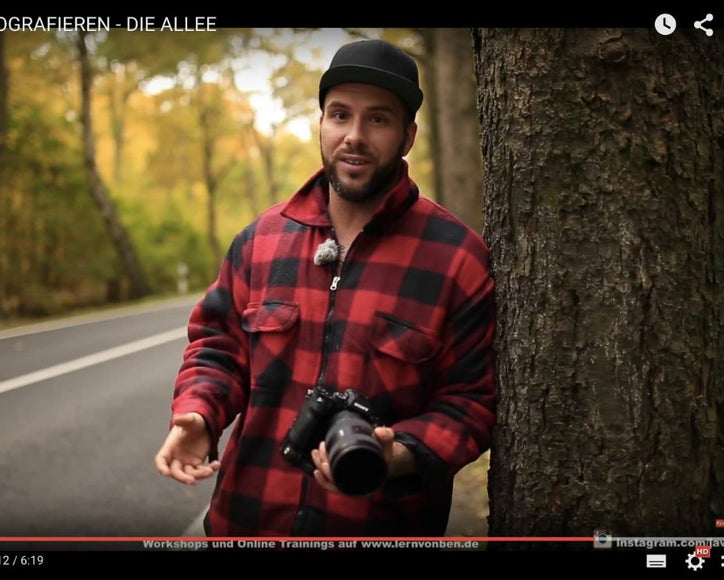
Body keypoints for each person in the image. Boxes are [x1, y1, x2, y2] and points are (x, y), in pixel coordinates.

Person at [155, 38, 497, 536]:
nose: (354, 136)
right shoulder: (260, 242)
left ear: (408, 136)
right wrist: (199, 414)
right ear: (321, 124)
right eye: (339, 115)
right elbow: (218, 349)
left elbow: (471, 403)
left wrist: (396, 454)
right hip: (246, 525)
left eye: (377, 119)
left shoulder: (457, 259)